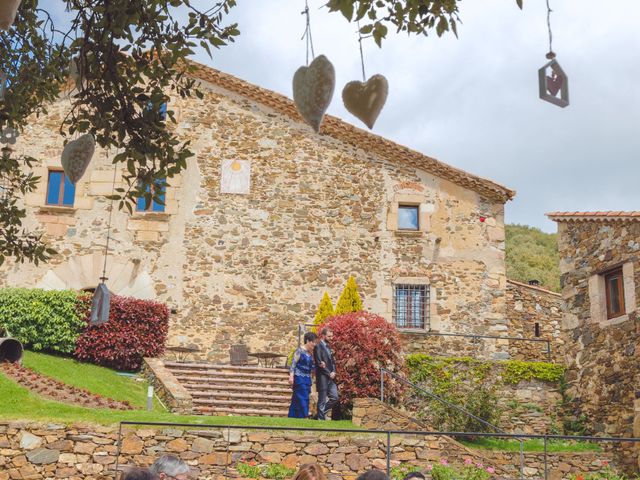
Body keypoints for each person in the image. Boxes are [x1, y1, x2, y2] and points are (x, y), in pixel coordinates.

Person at [288, 331, 318, 418]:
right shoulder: (299, 351)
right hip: (299, 378)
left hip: (307, 379)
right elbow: (293, 364)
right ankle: (304, 416)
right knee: (302, 398)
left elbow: (312, 368)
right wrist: (291, 377)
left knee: (297, 399)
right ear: (308, 341)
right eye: (313, 342)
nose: (314, 344)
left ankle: (293, 417)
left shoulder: (311, 353)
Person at [314, 327, 339, 420]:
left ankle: (319, 415)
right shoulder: (318, 346)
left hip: (331, 377)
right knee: (322, 400)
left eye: (331, 336)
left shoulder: (329, 347)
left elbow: (333, 362)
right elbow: (319, 362)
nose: (331, 338)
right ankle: (320, 420)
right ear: (323, 336)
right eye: (329, 336)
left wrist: (334, 371)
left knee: (335, 398)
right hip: (322, 377)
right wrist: (329, 373)